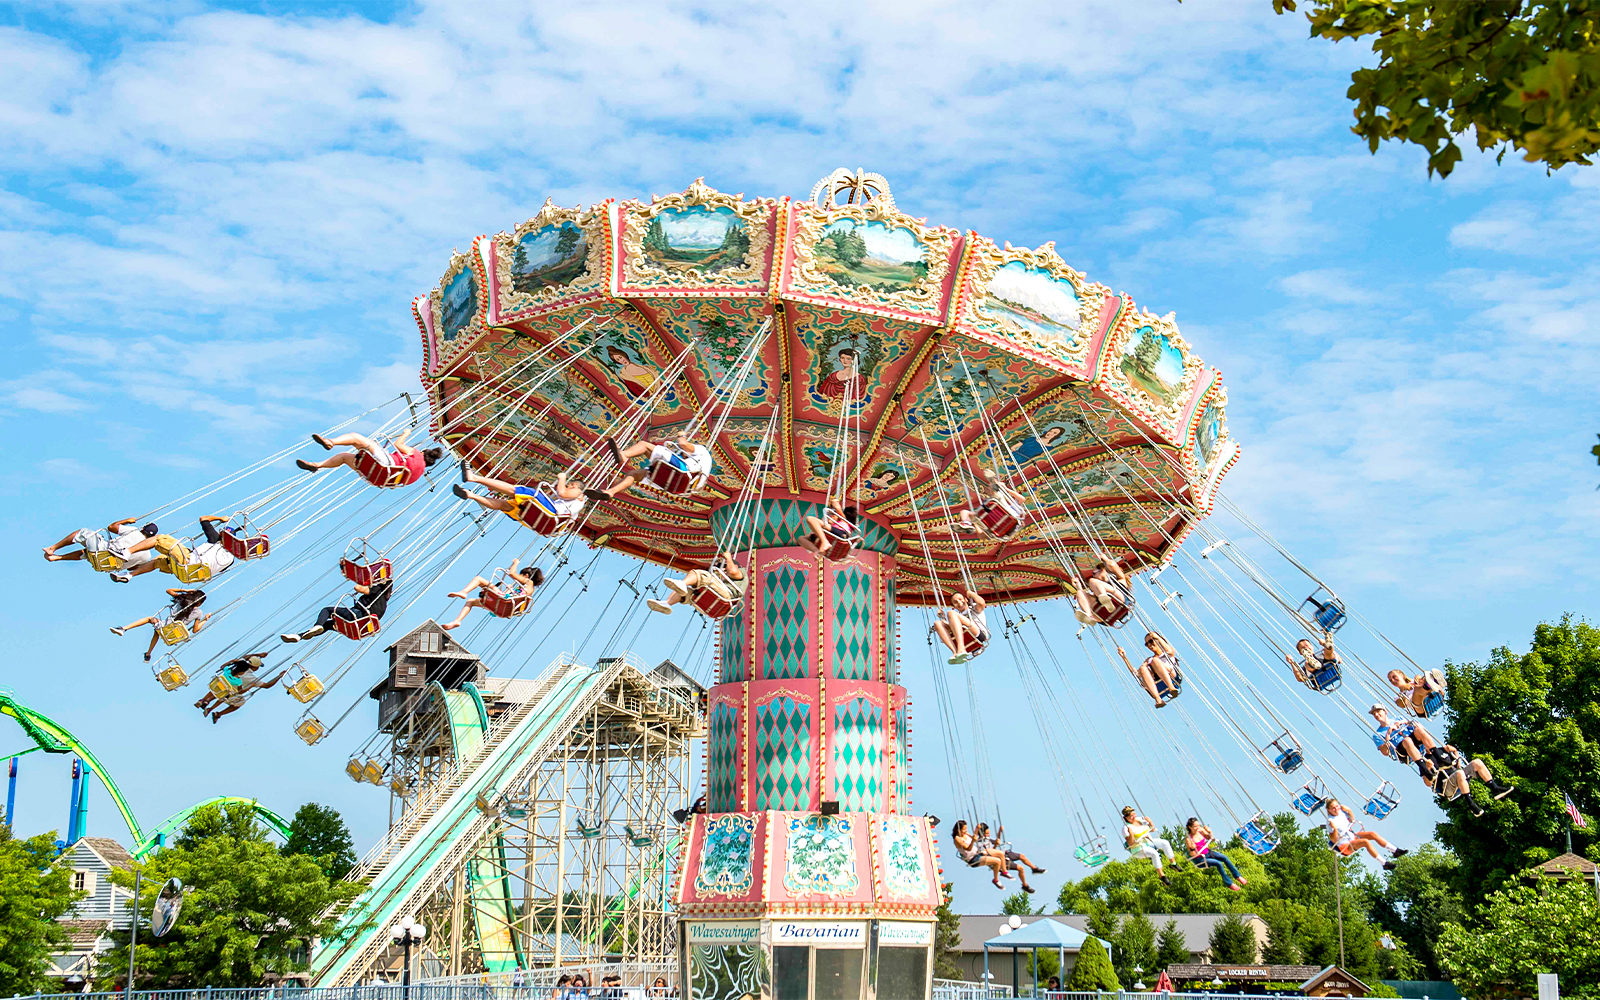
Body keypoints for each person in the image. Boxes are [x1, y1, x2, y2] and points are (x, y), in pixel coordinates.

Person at [109, 515, 236, 583]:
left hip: (187, 562)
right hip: (190, 575)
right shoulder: (230, 560)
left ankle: (127, 552)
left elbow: (204, 519)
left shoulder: (215, 540)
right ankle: (129, 575)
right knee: (157, 561)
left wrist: (221, 519)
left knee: (160, 539)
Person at [295, 428, 443, 487]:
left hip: (386, 464)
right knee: (344, 457)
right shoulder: (416, 476)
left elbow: (398, 444)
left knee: (356, 438)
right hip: (376, 479)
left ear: (424, 453)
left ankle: (330, 442)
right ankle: (316, 465)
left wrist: (405, 434)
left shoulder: (417, 454)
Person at [455, 466, 588, 527]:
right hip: (543, 521)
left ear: (575, 486)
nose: (567, 486)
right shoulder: (574, 509)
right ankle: (470, 495)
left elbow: (562, 493)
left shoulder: (578, 493)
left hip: (551, 512)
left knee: (516, 490)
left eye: (569, 485)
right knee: (504, 505)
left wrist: (562, 479)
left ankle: (473, 477)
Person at [591, 432, 713, 498]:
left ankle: (623, 455)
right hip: (678, 487)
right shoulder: (705, 466)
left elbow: (683, 444)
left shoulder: (701, 450)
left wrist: (682, 435)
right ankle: (611, 492)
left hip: (683, 471)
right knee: (634, 474)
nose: (683, 455)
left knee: (644, 445)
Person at [110, 588, 210, 662]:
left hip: (164, 626)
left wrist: (186, 591)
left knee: (150, 619)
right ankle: (148, 654)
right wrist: (205, 619)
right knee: (157, 632)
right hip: (173, 635)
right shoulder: (199, 613)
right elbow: (195, 630)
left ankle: (124, 628)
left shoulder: (182, 601)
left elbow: (168, 590)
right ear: (200, 603)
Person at [281, 577, 394, 642]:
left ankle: (318, 625)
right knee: (329, 624)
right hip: (359, 628)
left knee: (327, 610)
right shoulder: (384, 605)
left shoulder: (377, 590)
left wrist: (366, 582)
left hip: (356, 616)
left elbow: (358, 588)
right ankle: (299, 636)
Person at [441, 558, 544, 629]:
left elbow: (512, 573)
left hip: (505, 601)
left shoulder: (528, 582)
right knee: (471, 601)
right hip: (506, 607)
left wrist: (515, 563)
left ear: (526, 575)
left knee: (479, 579)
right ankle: (457, 621)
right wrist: (509, 589)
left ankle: (464, 592)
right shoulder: (527, 590)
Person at [1419, 744, 1514, 814]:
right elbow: (1428, 784)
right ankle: (1471, 805)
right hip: (1446, 786)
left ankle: (1495, 788)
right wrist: (1427, 769)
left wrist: (1454, 751)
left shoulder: (1441, 750)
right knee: (1459, 773)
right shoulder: (1425, 762)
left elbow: (1458, 765)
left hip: (1459, 776)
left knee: (1477, 762)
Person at [193, 653, 287, 723]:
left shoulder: (234, 667)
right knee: (238, 700)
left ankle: (204, 700)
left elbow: (244, 658)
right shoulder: (250, 678)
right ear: (255, 668)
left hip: (218, 685)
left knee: (220, 687)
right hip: (228, 693)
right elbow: (267, 686)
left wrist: (258, 655)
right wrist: (279, 676)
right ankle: (218, 713)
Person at [43, 518, 159, 571]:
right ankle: (57, 558)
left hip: (104, 552)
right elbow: (132, 568)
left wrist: (126, 521)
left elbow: (111, 527)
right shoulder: (147, 556)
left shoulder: (134, 530)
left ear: (143, 528)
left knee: (83, 533)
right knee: (87, 553)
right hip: (107, 566)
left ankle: (52, 548)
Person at [649, 553, 746, 615]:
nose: (723, 570)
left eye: (725, 566)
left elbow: (733, 571)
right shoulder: (727, 581)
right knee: (684, 591)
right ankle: (667, 603)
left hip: (727, 596)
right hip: (717, 605)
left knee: (699, 574)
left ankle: (683, 583)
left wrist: (728, 558)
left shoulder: (741, 572)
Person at [1324, 798, 1407, 869]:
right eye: (1333, 808)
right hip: (1345, 845)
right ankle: (1384, 864)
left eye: (1337, 806)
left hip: (1352, 836)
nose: (1336, 809)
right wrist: (1334, 829)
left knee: (1372, 834)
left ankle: (1395, 851)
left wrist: (1349, 810)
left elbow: (1352, 820)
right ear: (1329, 810)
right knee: (1365, 842)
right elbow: (1333, 839)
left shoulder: (1341, 812)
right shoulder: (1330, 821)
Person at [974, 821, 1045, 894]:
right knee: (1021, 868)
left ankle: (1034, 869)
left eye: (989, 833)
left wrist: (999, 832)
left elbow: (996, 842)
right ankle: (1025, 886)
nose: (988, 835)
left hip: (1003, 855)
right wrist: (995, 845)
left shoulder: (988, 840)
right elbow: (989, 854)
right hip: (999, 860)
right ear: (981, 834)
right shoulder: (980, 843)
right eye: (986, 833)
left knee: (1022, 856)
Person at [955, 469, 1027, 538]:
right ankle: (966, 523)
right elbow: (1022, 499)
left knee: (997, 498)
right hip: (997, 515)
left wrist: (1005, 488)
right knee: (996, 499)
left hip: (1004, 514)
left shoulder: (1015, 511)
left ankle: (995, 483)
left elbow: (1023, 499)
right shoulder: (1014, 510)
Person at [1116, 631, 1181, 707]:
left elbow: (1170, 650)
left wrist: (1158, 637)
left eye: (1151, 641)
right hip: (1157, 681)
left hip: (1171, 675)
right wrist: (1124, 658)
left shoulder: (1167, 652)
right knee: (1143, 668)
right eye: (1147, 644)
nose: (1149, 645)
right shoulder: (1149, 659)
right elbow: (1137, 673)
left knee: (1155, 660)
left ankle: (1171, 687)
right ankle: (1158, 699)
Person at [1184, 817, 1246, 890]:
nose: (1197, 827)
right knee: (1218, 863)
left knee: (1224, 858)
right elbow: (1192, 855)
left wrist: (1209, 832)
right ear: (1189, 827)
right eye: (1195, 826)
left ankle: (1237, 876)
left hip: (1208, 853)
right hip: (1200, 859)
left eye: (1198, 825)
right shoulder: (1189, 839)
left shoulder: (1200, 830)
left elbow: (1210, 838)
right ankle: (1229, 883)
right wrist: (1192, 848)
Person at [1071, 556, 1135, 625]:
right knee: (1080, 592)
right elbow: (1085, 599)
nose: (1094, 576)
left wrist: (1105, 559)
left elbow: (1112, 565)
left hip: (1120, 601)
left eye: (1094, 573)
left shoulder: (1119, 579)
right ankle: (1089, 615)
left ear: (1103, 569)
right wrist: (1078, 587)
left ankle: (1105, 598)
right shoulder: (1096, 588)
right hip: (1105, 614)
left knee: (1092, 581)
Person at [951, 820, 1014, 889]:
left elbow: (973, 837)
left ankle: (1004, 872)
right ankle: (996, 880)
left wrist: (977, 829)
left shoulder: (965, 834)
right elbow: (968, 848)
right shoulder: (957, 839)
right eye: (964, 829)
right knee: (997, 861)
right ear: (958, 830)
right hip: (973, 859)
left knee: (1001, 854)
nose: (966, 830)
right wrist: (973, 841)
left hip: (978, 852)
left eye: (966, 828)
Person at [1121, 806, 1175, 885]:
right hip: (1138, 848)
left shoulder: (1140, 820)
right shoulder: (1126, 828)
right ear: (1126, 818)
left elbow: (1152, 829)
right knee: (1154, 853)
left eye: (1134, 814)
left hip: (1149, 842)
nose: (1133, 817)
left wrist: (1150, 821)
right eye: (1130, 816)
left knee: (1165, 843)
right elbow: (1130, 843)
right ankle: (1162, 876)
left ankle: (1173, 863)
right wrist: (1131, 834)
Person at [933, 590, 989, 664]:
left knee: (950, 613)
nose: (959, 602)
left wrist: (971, 594)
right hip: (965, 636)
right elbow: (944, 637)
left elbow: (982, 603)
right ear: (953, 606)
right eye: (955, 602)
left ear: (965, 599)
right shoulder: (955, 617)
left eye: (960, 599)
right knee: (937, 623)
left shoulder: (973, 608)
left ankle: (961, 648)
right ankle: (955, 652)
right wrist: (943, 618)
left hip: (978, 634)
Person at [1369, 705, 1438, 764]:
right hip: (1401, 750)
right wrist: (1388, 734)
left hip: (1413, 740)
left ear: (1385, 712)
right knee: (1407, 741)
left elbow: (1420, 727)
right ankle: (1421, 764)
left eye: (1378, 712)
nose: (1376, 715)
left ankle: (1437, 754)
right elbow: (1385, 752)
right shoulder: (1378, 734)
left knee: (1419, 730)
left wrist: (1404, 722)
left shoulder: (1399, 718)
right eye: (1374, 714)